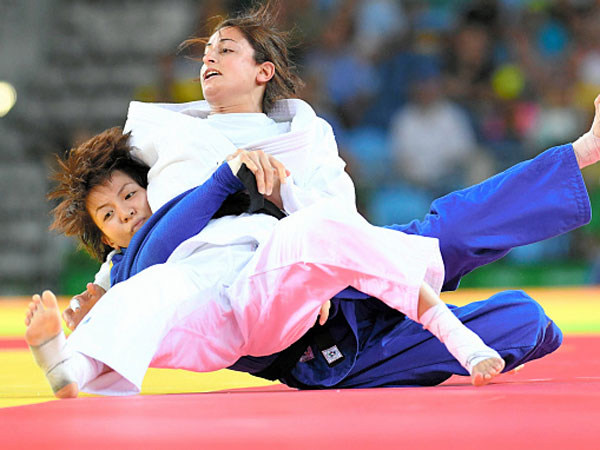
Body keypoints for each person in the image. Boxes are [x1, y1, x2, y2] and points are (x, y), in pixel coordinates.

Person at [48, 2, 598, 396]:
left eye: (225, 49)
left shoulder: (306, 132)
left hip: (341, 267)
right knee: (526, 321)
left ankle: (581, 152)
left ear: (263, 71)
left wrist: (306, 241)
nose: (208, 58)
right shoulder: (160, 135)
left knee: (450, 226)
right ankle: (449, 328)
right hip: (311, 341)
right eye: (206, 51)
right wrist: (100, 286)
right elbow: (135, 234)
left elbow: (337, 213)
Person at [27, 126, 508, 398]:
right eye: (108, 214)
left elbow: (291, 230)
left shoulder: (214, 208)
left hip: (256, 296)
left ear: (153, 188)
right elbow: (109, 303)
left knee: (322, 224)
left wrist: (313, 283)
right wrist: (83, 314)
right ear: (100, 233)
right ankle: (69, 370)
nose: (125, 212)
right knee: (147, 288)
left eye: (129, 195)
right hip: (201, 324)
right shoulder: (118, 267)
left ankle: (457, 337)